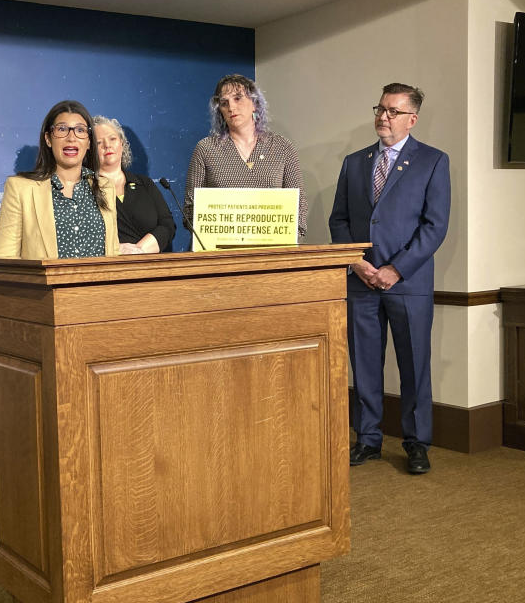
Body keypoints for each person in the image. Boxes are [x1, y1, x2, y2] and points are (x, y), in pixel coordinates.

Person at [328, 83, 450, 474]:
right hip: (360, 281)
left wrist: (395, 269)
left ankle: (417, 444)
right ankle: (368, 439)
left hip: (407, 283)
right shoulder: (354, 162)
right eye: (380, 108)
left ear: (412, 119)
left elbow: (434, 226)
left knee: (415, 365)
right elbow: (340, 219)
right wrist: (357, 263)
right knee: (364, 363)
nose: (383, 116)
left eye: (393, 111)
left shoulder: (432, 161)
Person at [183, 74, 308, 239]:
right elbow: (190, 210)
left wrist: (283, 240)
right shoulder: (206, 149)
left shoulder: (282, 148)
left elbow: (299, 207)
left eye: (238, 98)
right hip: (221, 252)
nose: (231, 107)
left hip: (273, 252)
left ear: (255, 103)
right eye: (224, 103)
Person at [0, 100, 118, 259]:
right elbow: (4, 258)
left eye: (80, 130)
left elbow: (113, 253)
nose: (71, 138)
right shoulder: (20, 188)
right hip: (44, 285)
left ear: (89, 142)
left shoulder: (105, 188)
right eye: (62, 129)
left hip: (98, 284)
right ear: (48, 139)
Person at [93, 115, 175, 254]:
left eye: (112, 139)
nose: (107, 145)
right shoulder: (85, 189)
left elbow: (167, 225)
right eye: (99, 142)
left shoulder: (144, 184)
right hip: (107, 270)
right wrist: (116, 250)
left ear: (122, 144)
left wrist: (138, 251)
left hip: (151, 267)